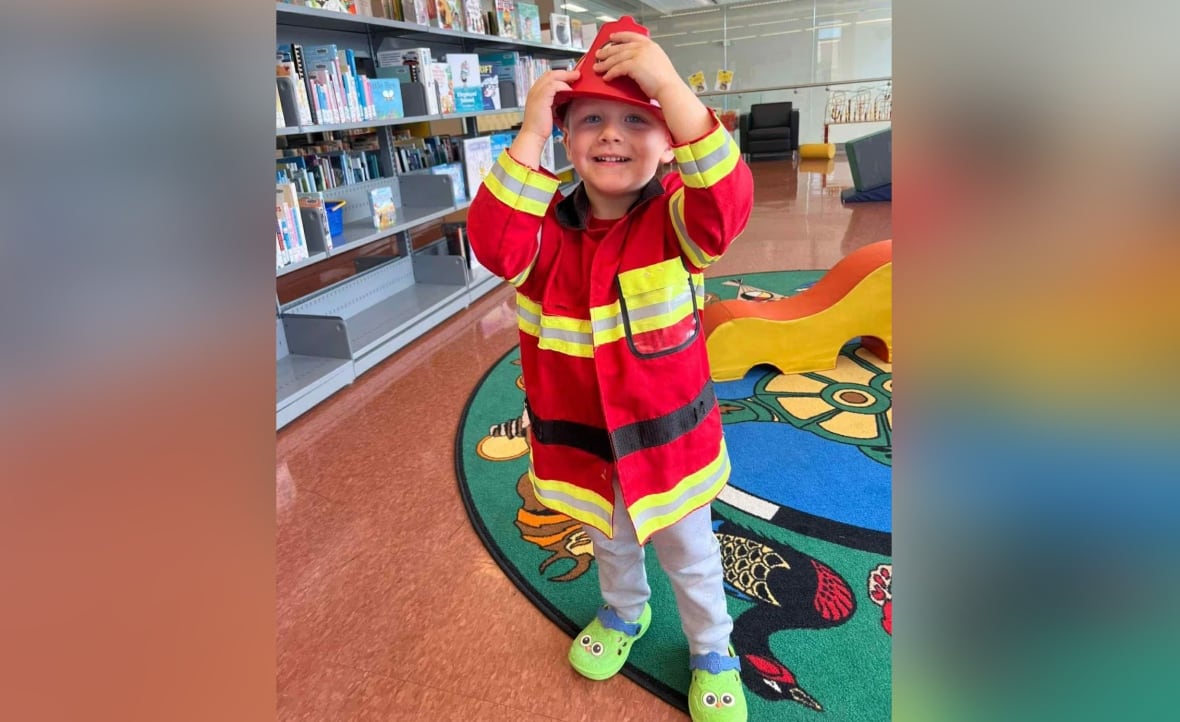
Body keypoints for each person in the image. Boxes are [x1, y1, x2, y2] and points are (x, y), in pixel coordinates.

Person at [467, 16, 753, 722]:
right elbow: (493, 244)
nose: (611, 134)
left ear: (667, 140)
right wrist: (527, 132)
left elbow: (730, 200)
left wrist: (671, 87)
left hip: (669, 444)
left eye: (637, 119)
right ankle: (624, 615)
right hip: (587, 444)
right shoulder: (541, 236)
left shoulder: (680, 224)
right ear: (566, 140)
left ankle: (713, 648)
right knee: (610, 543)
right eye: (589, 118)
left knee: (690, 554)